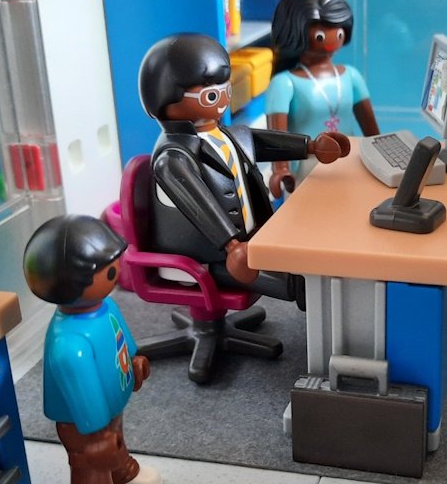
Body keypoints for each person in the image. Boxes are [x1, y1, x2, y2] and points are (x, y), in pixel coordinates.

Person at [138, 33, 349, 304]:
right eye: (211, 95)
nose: (222, 100)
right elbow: (200, 207)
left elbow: (260, 141)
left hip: (248, 242)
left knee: (309, 254)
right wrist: (231, 245)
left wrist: (311, 147)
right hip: (207, 257)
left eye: (225, 91)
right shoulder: (173, 159)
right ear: (165, 98)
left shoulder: (223, 135)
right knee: (299, 281)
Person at [24, 215, 162, 484]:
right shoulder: (69, 344)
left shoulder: (105, 307)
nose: (117, 271)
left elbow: (119, 337)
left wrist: (134, 361)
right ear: (74, 282)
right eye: (110, 270)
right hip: (83, 423)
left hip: (109, 404)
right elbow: (82, 392)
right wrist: (94, 432)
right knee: (89, 463)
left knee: (114, 438)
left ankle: (119, 471)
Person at [265, 0, 380, 194]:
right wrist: (281, 170)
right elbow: (277, 138)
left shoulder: (351, 75)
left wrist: (382, 153)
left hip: (352, 159)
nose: (331, 38)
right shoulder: (284, 83)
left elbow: (372, 132)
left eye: (338, 31)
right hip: (310, 165)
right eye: (320, 35)